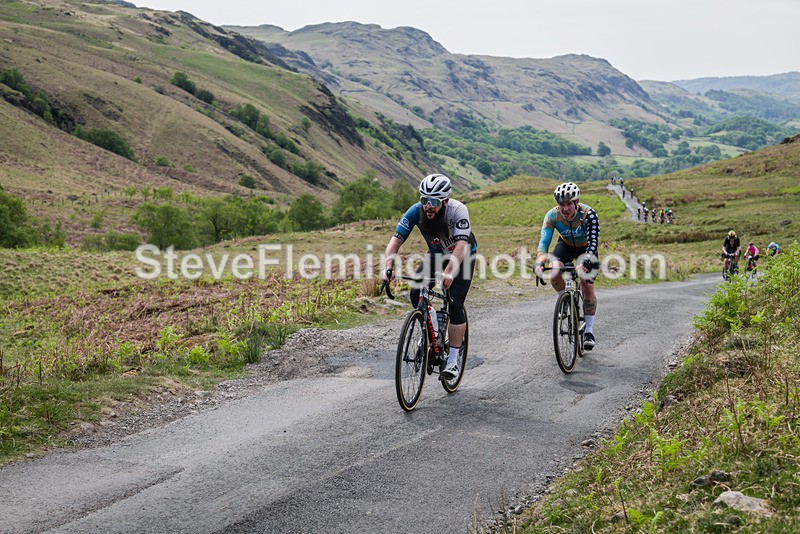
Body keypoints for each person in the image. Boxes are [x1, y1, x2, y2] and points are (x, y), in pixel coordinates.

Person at [383, 173, 477, 379]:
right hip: (435, 256)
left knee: (455, 303)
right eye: (424, 200)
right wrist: (388, 266)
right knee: (416, 294)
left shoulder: (458, 210)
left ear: (445, 201)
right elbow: (395, 241)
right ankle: (432, 324)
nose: (428, 206)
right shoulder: (416, 211)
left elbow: (461, 245)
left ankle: (452, 361)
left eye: (433, 201)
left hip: (462, 258)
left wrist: (450, 272)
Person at [534, 182, 600, 350]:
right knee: (554, 270)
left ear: (577, 202)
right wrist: (540, 261)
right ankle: (566, 301)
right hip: (565, 245)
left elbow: (593, 242)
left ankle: (589, 331)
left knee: (587, 284)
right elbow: (544, 242)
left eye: (569, 204)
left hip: (586, 248)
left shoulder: (589, 215)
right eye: (561, 205)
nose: (565, 208)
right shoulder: (552, 216)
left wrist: (585, 263)